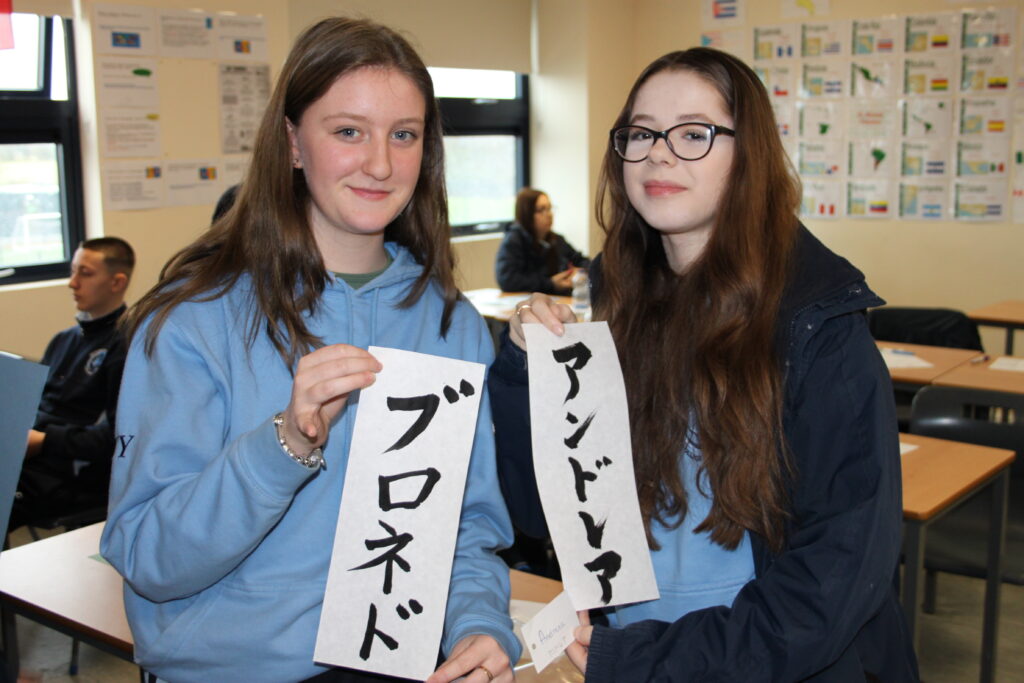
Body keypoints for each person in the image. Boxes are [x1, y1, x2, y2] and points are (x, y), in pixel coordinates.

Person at [100, 17, 517, 683]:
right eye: (348, 131)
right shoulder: (193, 320)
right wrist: (285, 443)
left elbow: (463, 525)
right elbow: (147, 556)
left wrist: (477, 621)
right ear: (294, 141)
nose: (380, 163)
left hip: (398, 663)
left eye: (403, 135)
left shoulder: (450, 323)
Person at [488, 48, 918, 681]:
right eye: (640, 134)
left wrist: (645, 662)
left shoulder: (818, 330)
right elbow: (531, 516)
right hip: (629, 653)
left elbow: (830, 586)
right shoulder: (612, 307)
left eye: (693, 134)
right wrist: (525, 374)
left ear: (750, 157)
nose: (659, 153)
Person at [9, 237, 134, 532]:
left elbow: (119, 440)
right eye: (73, 271)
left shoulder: (127, 347)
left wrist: (43, 442)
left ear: (117, 283)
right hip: (33, 460)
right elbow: (32, 406)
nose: (72, 283)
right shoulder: (64, 339)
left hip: (73, 476)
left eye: (85, 274)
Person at [494, 188, 588, 295]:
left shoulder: (556, 240)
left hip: (557, 301)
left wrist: (580, 271)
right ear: (527, 214)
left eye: (549, 208)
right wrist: (550, 284)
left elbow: (581, 260)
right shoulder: (514, 241)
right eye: (541, 210)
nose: (549, 214)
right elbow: (508, 280)